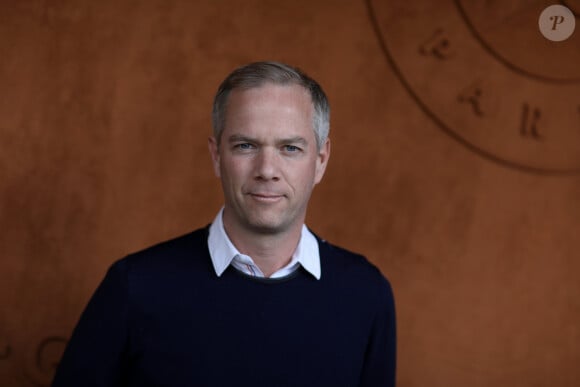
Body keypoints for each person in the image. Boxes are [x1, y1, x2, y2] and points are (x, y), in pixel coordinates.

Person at [52, 61, 396, 386]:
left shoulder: (366, 295)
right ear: (217, 156)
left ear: (320, 161)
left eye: (290, 148)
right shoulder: (135, 287)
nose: (267, 170)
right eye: (245, 146)